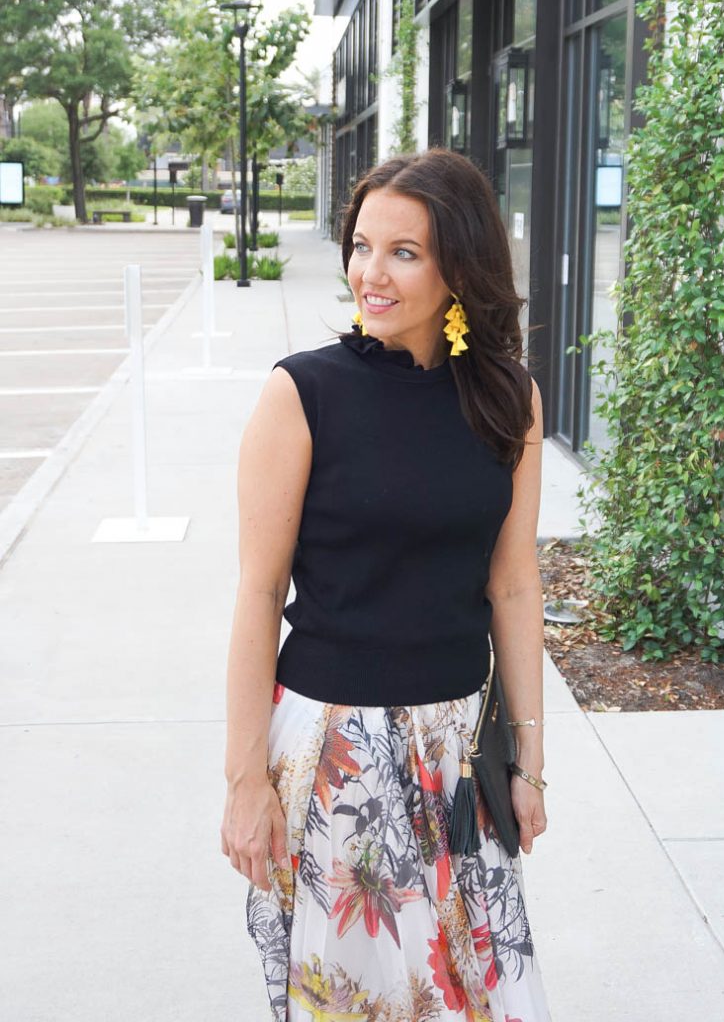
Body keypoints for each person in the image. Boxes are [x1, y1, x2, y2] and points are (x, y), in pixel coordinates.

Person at [221, 147, 551, 1022]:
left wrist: (529, 760)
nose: (371, 272)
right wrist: (243, 780)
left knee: (481, 1002)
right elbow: (257, 597)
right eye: (362, 245)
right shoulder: (302, 394)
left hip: (457, 756)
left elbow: (514, 586)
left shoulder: (507, 400)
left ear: (460, 267)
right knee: (357, 1005)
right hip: (337, 756)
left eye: (403, 251)